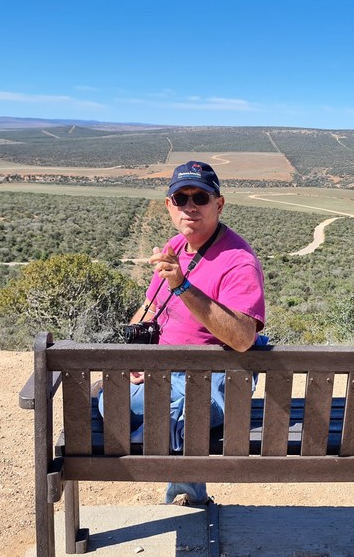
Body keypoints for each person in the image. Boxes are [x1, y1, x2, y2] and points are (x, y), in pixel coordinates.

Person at [101, 160, 266, 505]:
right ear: (169, 206)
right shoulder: (174, 246)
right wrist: (134, 354)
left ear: (218, 204)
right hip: (163, 371)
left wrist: (182, 285)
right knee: (115, 398)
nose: (190, 206)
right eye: (181, 198)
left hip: (211, 375)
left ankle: (183, 478)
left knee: (149, 405)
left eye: (200, 198)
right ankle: (183, 449)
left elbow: (242, 338)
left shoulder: (238, 261)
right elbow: (149, 306)